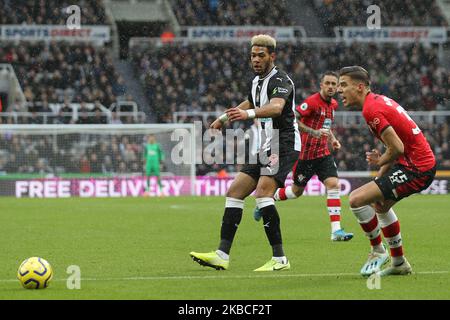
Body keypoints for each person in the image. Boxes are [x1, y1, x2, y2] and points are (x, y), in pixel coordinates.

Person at [190, 34, 301, 271]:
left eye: (261, 55)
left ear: (273, 56)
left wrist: (247, 115)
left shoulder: (281, 80)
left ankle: (280, 259)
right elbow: (250, 102)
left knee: (263, 193)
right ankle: (221, 255)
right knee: (235, 191)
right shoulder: (256, 81)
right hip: (265, 144)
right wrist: (223, 118)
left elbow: (276, 107)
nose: (256, 60)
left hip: (283, 142)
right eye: (253, 55)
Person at [338, 66, 436, 276]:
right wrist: (381, 175)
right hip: (416, 164)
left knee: (355, 200)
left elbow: (396, 149)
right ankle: (399, 263)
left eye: (344, 85)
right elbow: (393, 147)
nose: (339, 90)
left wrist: (380, 160)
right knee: (379, 206)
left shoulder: (371, 110)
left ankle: (377, 250)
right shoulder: (378, 101)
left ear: (360, 87)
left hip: (417, 168)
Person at [253, 71, 353, 241]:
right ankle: (268, 198)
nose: (330, 86)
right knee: (296, 192)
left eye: (333, 84)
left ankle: (336, 231)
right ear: (321, 85)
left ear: (337, 87)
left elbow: (325, 126)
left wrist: (333, 139)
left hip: (323, 154)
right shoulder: (312, 103)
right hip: (304, 156)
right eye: (327, 83)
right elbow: (294, 121)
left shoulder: (334, 105)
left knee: (333, 184)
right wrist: (313, 132)